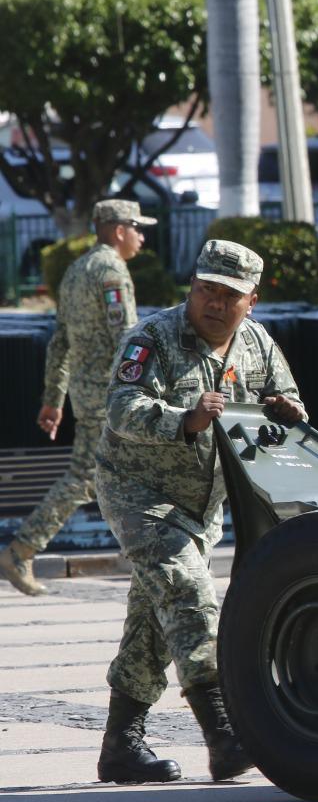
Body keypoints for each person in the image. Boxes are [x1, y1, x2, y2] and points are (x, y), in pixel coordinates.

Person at [95, 239, 307, 783]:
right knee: (188, 596)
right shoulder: (153, 337)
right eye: (205, 290)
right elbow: (122, 409)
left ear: (251, 301)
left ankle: (122, 746)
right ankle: (223, 733)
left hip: (202, 507)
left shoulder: (257, 343)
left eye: (228, 296)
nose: (213, 303)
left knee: (153, 618)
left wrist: (287, 413)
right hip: (137, 494)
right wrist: (184, 419)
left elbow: (289, 402)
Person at [1, 200, 155, 597]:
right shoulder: (111, 270)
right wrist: (146, 387)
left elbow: (60, 343)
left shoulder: (74, 272)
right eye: (137, 227)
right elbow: (128, 338)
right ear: (117, 229)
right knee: (89, 478)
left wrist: (53, 399)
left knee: (123, 477)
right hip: (113, 398)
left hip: (87, 398)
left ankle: (149, 559)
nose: (141, 236)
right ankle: (21, 549)